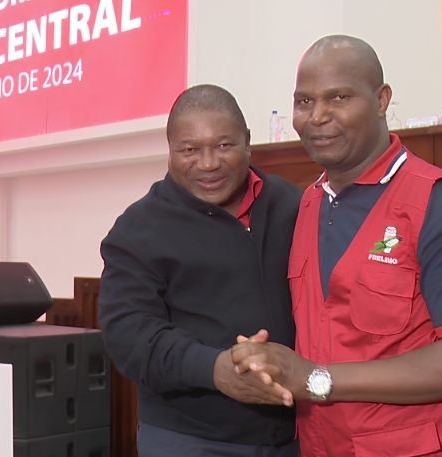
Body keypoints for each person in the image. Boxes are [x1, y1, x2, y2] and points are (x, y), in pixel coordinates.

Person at [231, 35, 442, 456]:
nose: (318, 116)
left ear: (381, 100)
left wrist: (316, 378)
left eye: (338, 97)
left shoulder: (439, 201)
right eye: (304, 102)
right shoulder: (308, 203)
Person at [98, 84, 302, 456]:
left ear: (247, 143)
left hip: (295, 434)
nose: (208, 163)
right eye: (189, 150)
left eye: (224, 146)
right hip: (191, 440)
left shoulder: (293, 204)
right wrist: (214, 368)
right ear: (171, 152)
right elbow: (128, 335)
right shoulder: (138, 228)